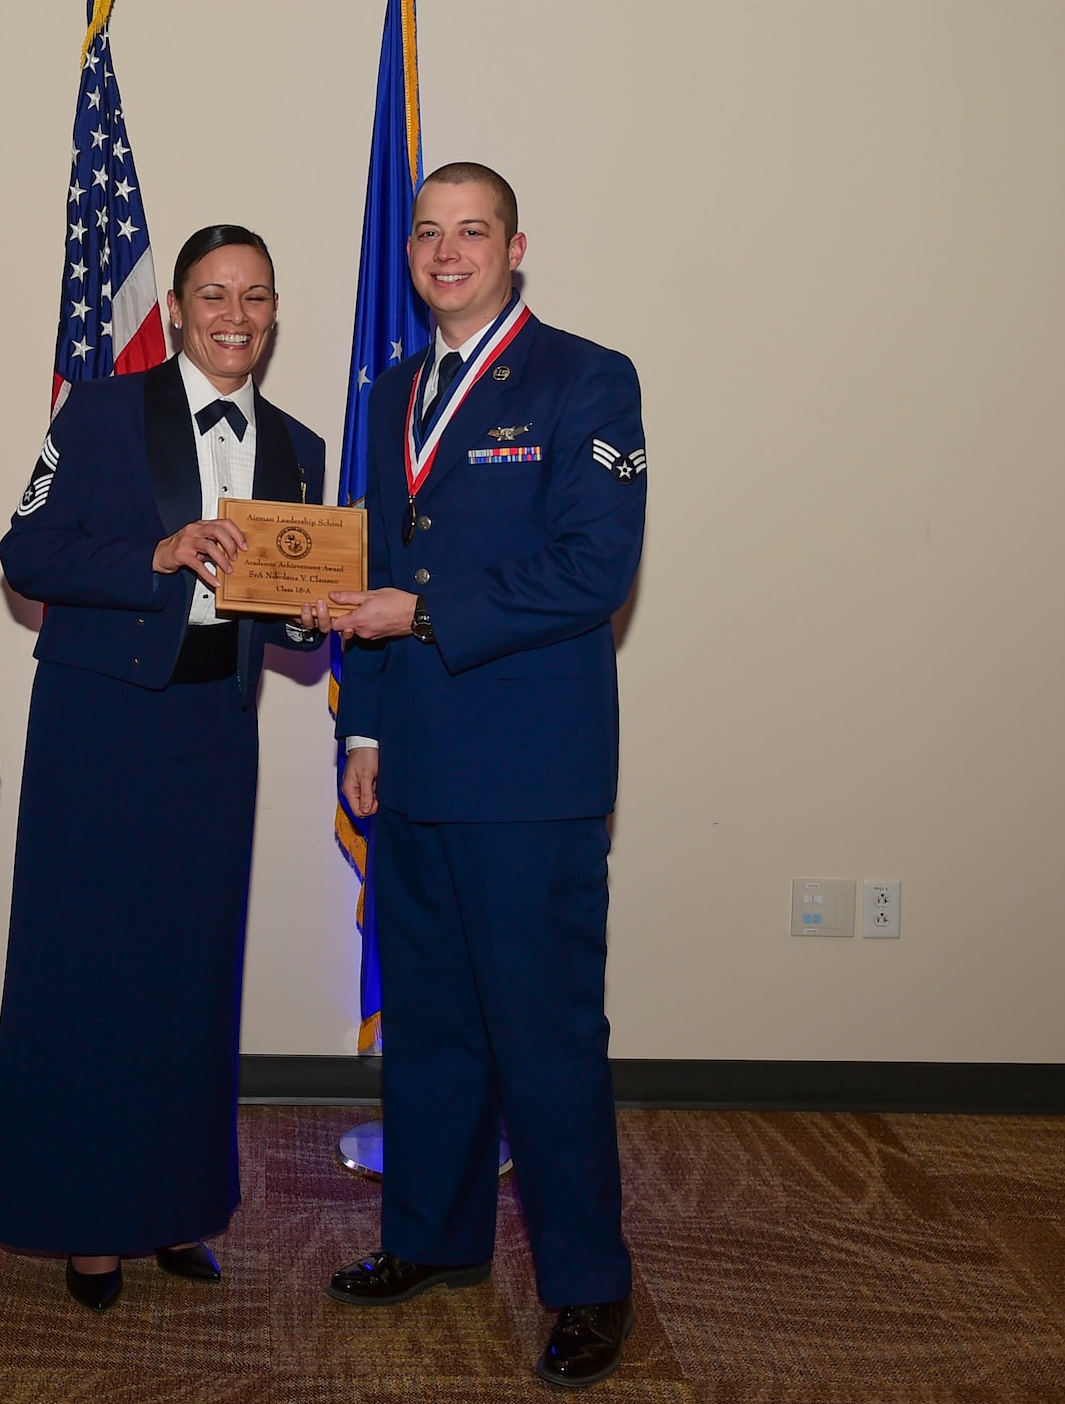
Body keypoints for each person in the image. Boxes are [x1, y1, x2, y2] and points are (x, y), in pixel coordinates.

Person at [316, 162, 646, 1389]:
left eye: (472, 231)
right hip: (414, 771)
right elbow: (387, 565)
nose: (445, 250)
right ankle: (432, 1239)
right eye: (427, 232)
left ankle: (587, 1282)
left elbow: (589, 568)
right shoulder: (399, 386)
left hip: (528, 775)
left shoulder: (585, 379)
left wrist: (422, 610)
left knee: (544, 1038)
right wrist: (367, 733)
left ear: (516, 246)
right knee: (436, 1028)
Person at [0, 225, 325, 1313]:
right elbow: (24, 553)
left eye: (255, 295)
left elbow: (297, 633)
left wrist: (322, 617)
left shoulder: (300, 447)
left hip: (217, 736)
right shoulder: (97, 412)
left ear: (274, 313)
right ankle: (88, 1223)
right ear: (175, 308)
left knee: (191, 977)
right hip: (101, 729)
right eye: (214, 293)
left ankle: (176, 1205)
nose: (236, 313)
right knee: (90, 981)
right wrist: (156, 555)